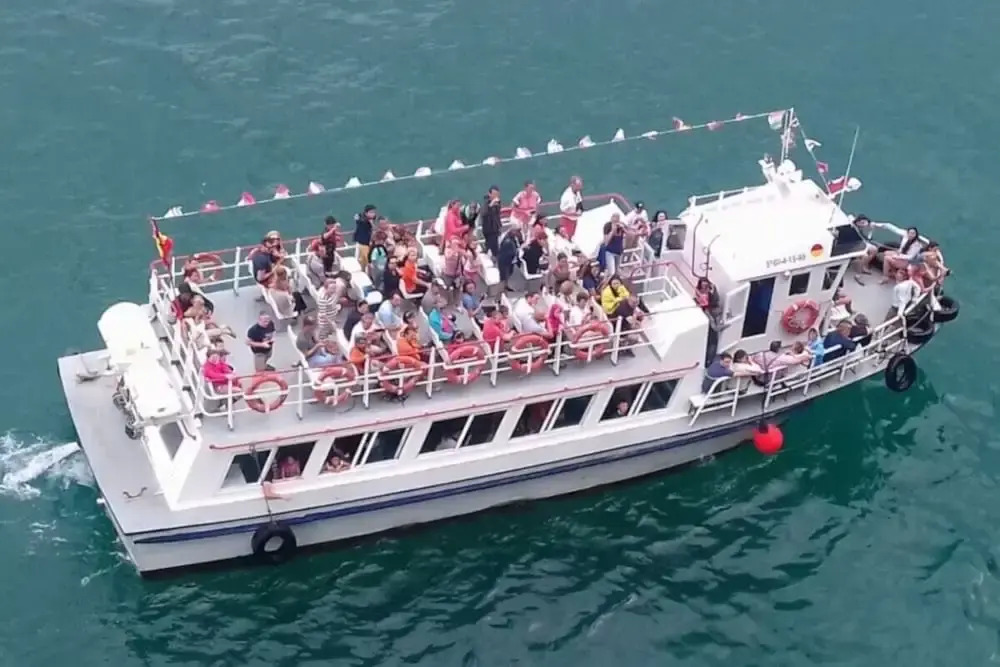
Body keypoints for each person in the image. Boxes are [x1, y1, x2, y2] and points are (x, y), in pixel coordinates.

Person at [481, 185, 503, 257]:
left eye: (497, 194)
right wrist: (491, 205)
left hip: (495, 227)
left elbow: (497, 213)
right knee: (492, 246)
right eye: (494, 194)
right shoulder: (486, 202)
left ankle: (491, 254)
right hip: (488, 228)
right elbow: (484, 213)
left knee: (494, 245)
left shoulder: (497, 202)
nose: (495, 196)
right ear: (489, 194)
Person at [353, 205, 377, 269]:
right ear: (366, 213)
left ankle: (365, 268)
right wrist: (370, 222)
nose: (373, 214)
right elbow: (357, 219)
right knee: (366, 259)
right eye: (371, 212)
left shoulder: (372, 219)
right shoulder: (362, 220)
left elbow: (374, 229)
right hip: (363, 242)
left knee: (365, 259)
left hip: (368, 242)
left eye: (374, 212)